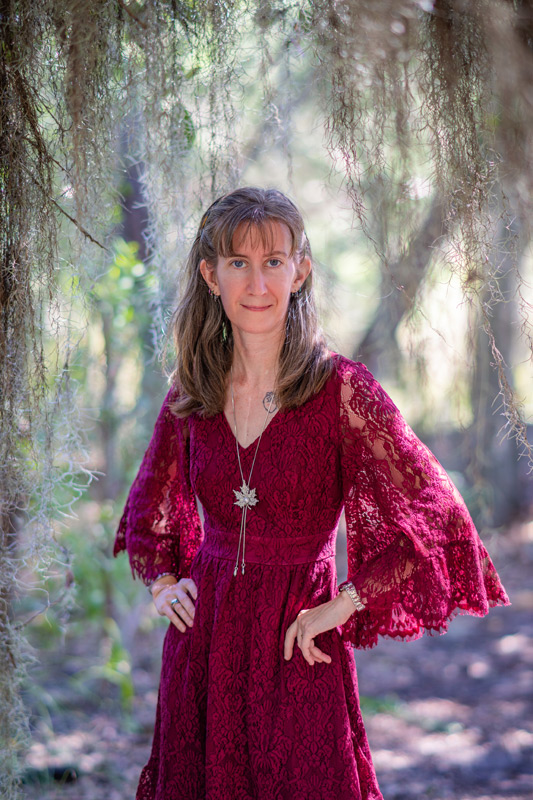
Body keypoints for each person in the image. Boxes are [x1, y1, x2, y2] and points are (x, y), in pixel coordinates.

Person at [113, 186, 510, 800]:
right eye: (238, 263)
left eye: (273, 261)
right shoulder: (191, 394)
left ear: (300, 270)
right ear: (210, 275)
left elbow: (435, 514)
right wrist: (166, 583)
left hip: (300, 644)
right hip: (205, 650)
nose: (257, 283)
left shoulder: (341, 391)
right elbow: (150, 508)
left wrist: (345, 602)